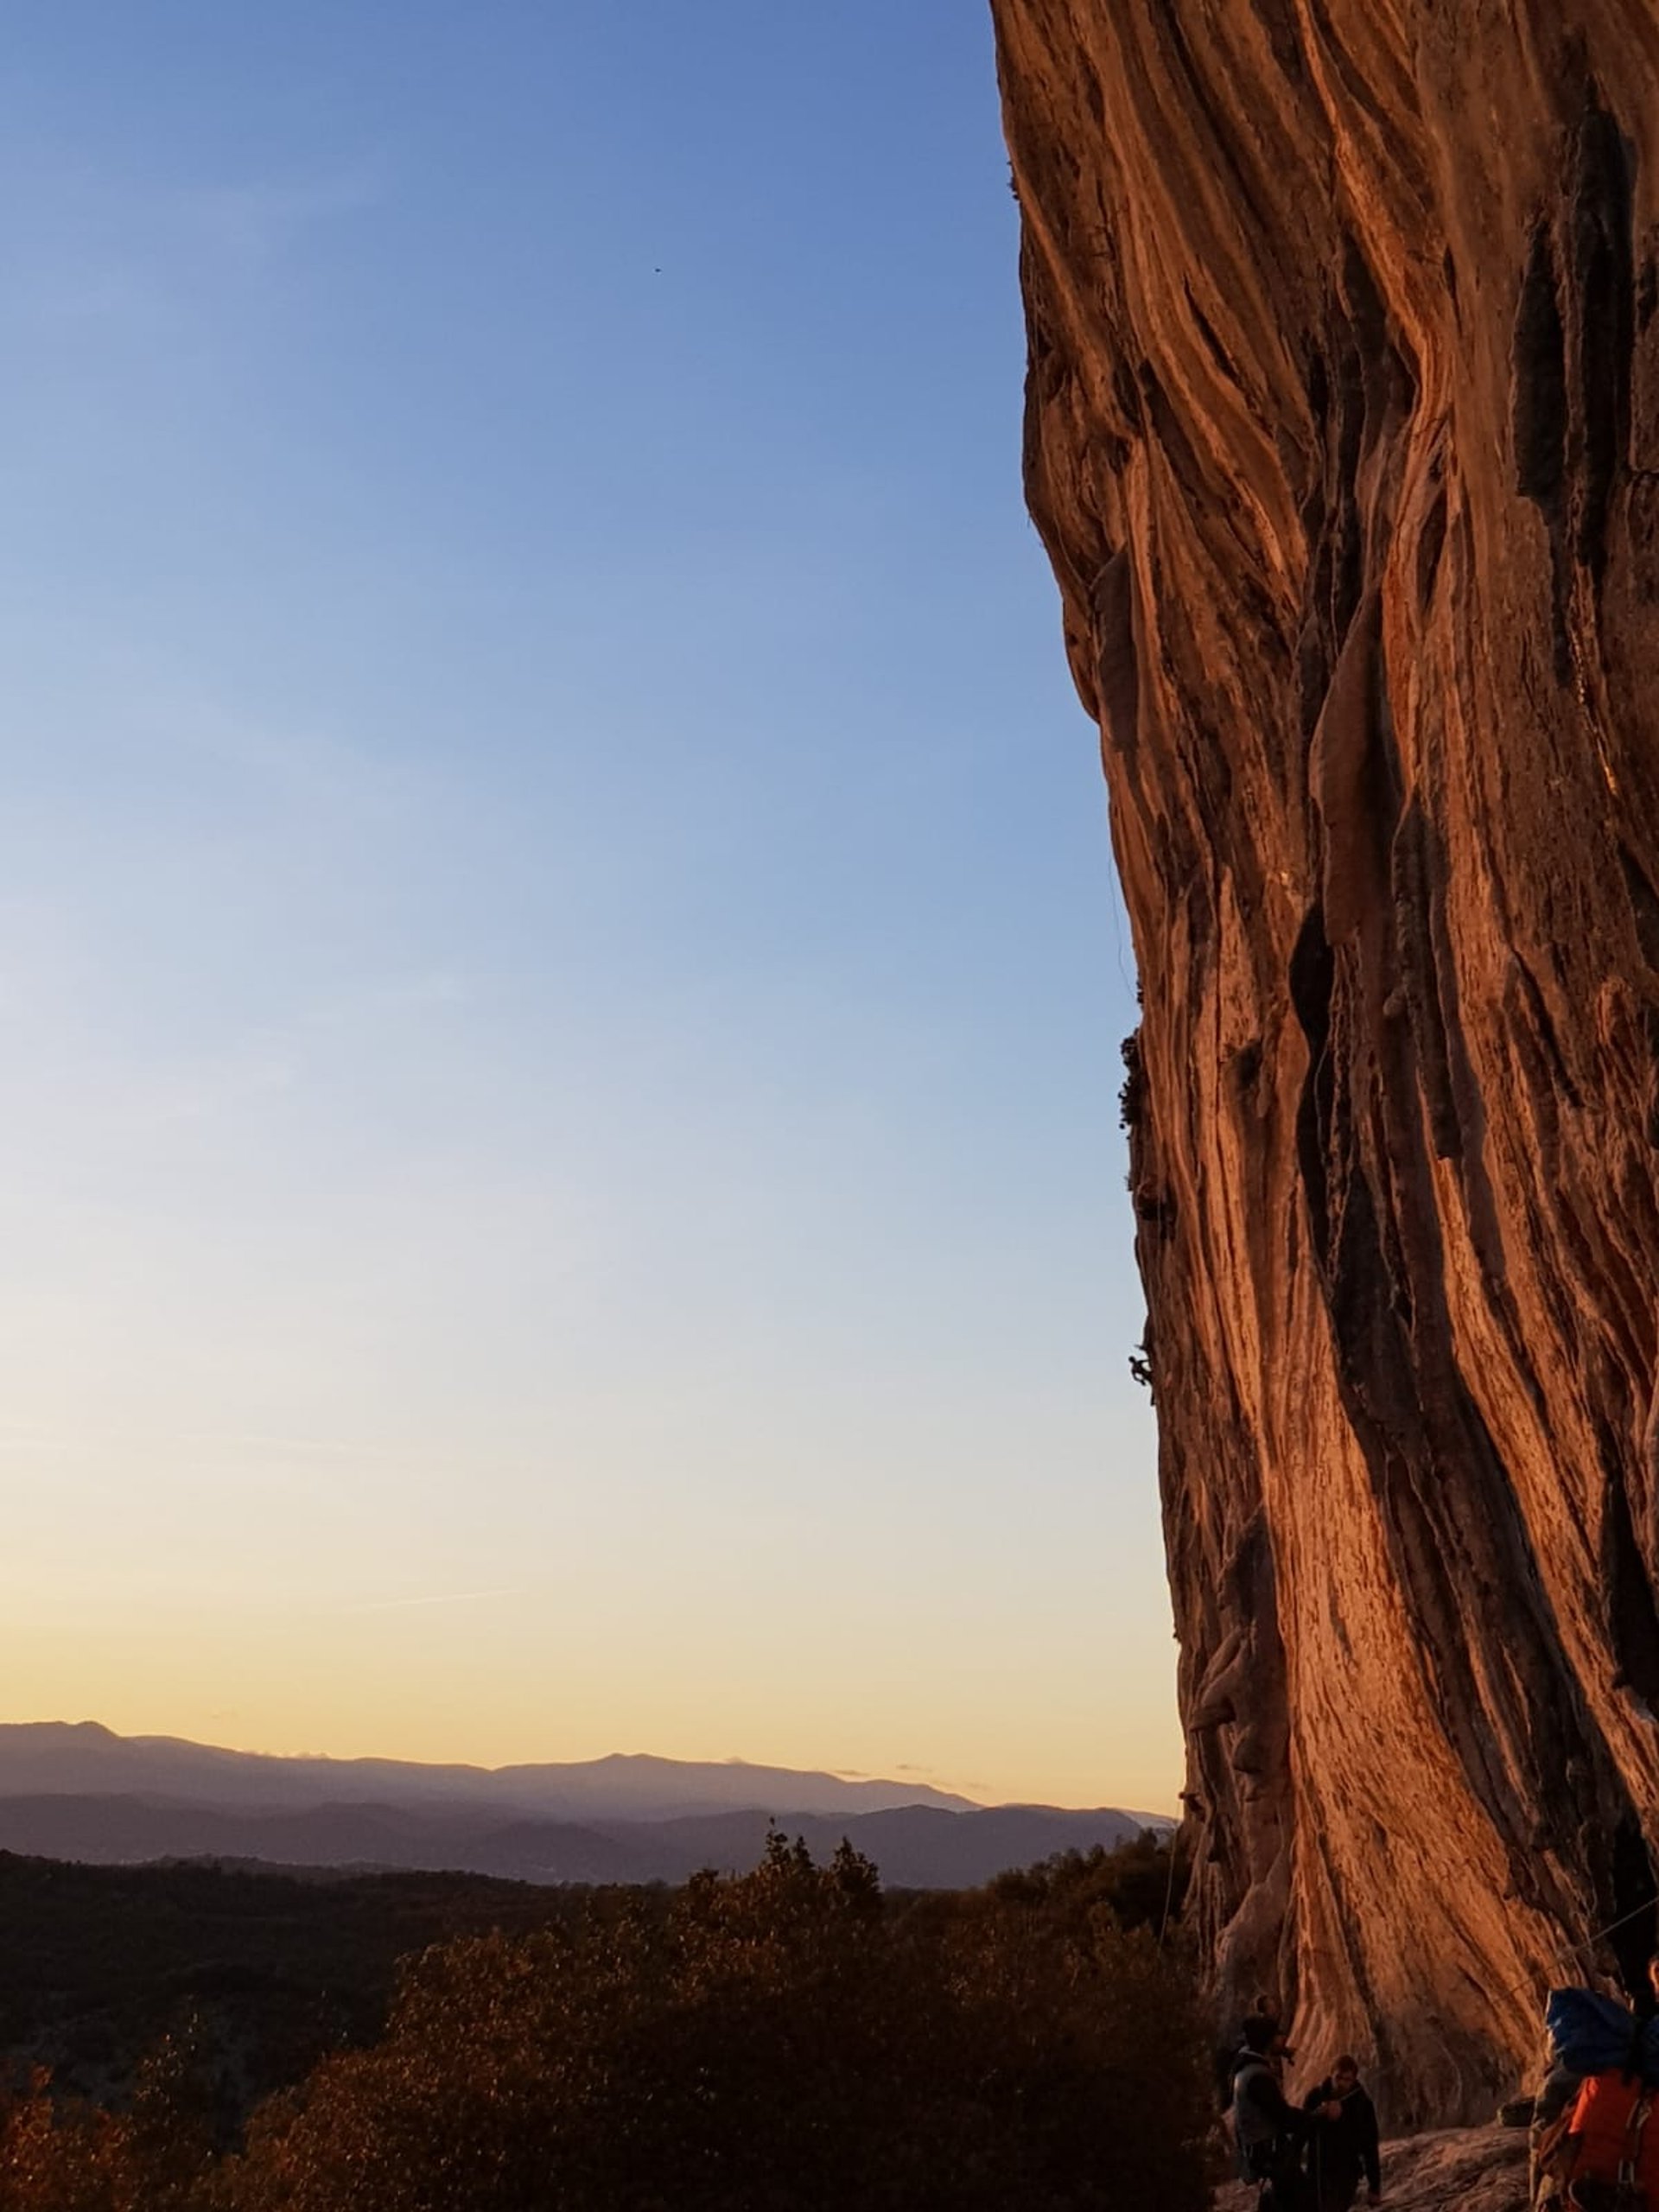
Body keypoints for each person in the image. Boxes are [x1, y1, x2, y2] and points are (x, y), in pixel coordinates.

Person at [1233, 2014, 1311, 2207]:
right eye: (1277, 2036)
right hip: (1270, 2153)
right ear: (1267, 2040)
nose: (1282, 2039)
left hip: (1260, 2150)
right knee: (1299, 2201)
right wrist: (1312, 2116)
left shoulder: (1246, 2067)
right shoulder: (1258, 2076)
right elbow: (1281, 2116)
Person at [1300, 2056, 1381, 2210]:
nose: (1342, 2083)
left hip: (1345, 2175)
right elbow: (1302, 2131)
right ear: (1331, 2074)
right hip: (1317, 2174)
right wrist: (1319, 2115)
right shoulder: (1315, 2097)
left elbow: (1370, 2147)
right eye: (1338, 2078)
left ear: (1354, 2080)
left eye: (1347, 2080)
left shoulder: (1362, 2104)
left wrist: (1374, 2187)